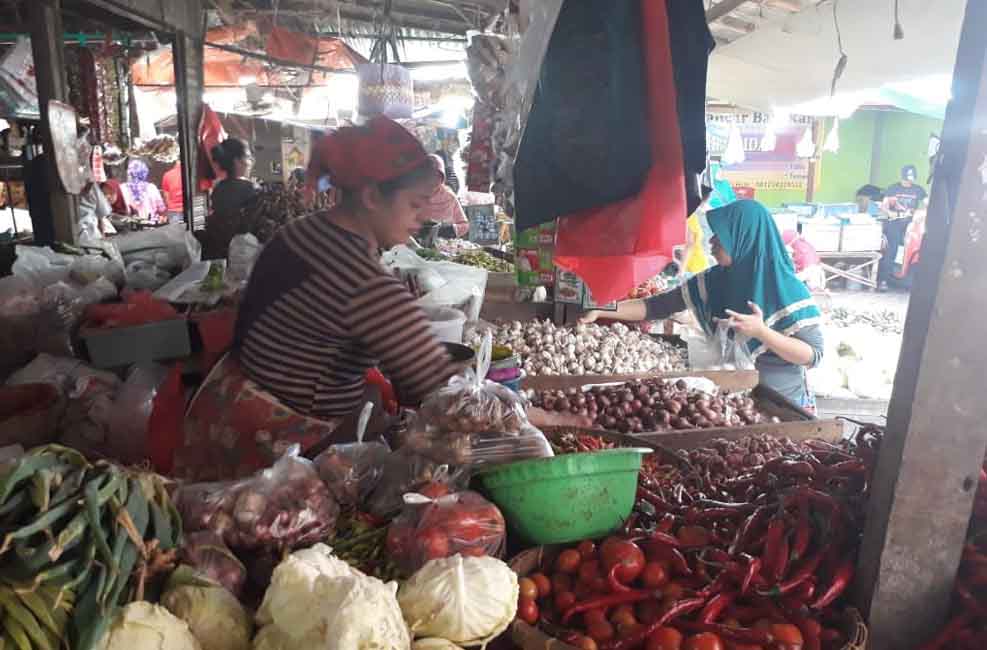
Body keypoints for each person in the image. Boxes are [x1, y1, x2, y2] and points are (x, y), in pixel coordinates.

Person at [582, 200, 824, 411]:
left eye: (723, 235)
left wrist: (762, 332)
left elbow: (813, 356)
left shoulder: (787, 289)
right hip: (733, 400)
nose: (712, 241)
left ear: (744, 237)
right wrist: (603, 309)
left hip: (779, 406)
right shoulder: (716, 279)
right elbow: (657, 305)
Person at [202, 138, 258, 259]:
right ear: (237, 161)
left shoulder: (219, 187)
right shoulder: (248, 188)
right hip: (240, 252)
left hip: (217, 250)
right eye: (247, 157)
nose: (250, 162)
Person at [878, 165, 927, 290]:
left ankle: (907, 279)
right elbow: (884, 206)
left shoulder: (918, 190)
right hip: (894, 223)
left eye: (911, 179)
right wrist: (890, 213)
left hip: (910, 226)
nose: (909, 181)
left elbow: (929, 203)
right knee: (891, 250)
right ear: (903, 177)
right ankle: (884, 280)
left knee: (914, 250)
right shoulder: (893, 188)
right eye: (907, 179)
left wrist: (921, 213)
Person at [425, 154, 469, 238]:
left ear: (442, 178)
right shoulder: (413, 194)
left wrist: (450, 229)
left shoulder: (449, 197)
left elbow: (464, 225)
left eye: (438, 176)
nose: (433, 180)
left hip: (443, 247)